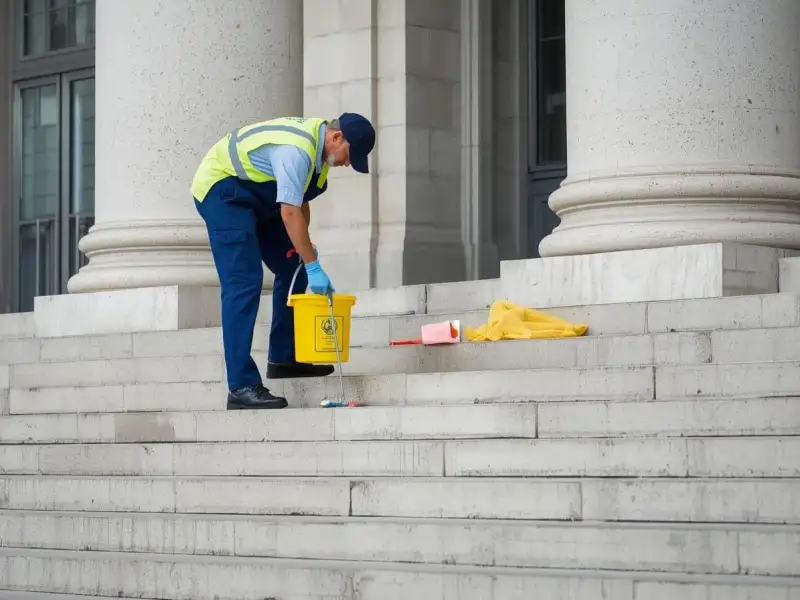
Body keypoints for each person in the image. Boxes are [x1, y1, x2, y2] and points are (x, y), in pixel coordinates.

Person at [190, 113, 376, 410]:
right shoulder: (297, 151)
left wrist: (307, 254)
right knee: (244, 280)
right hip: (224, 193)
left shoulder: (319, 154)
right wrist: (315, 265)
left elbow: (300, 202)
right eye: (350, 156)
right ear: (337, 138)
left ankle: (284, 358)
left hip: (257, 197)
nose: (348, 164)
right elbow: (289, 212)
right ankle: (241, 385)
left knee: (296, 262)